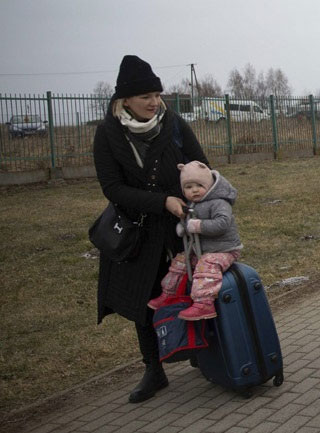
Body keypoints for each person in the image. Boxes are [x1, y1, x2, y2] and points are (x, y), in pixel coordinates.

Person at [92, 55, 209, 403]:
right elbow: (112, 188)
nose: (154, 102)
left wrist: (189, 195)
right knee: (143, 303)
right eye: (145, 96)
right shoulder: (108, 133)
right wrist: (160, 202)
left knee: (193, 292)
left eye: (157, 94)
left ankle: (201, 352)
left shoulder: (173, 124)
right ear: (125, 99)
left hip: (180, 229)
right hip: (137, 233)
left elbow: (202, 167)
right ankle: (153, 369)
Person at [147, 161, 243, 320]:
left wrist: (198, 225)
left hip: (225, 249)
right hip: (202, 250)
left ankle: (204, 302)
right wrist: (183, 228)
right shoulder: (192, 204)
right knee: (180, 261)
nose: (195, 190)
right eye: (189, 187)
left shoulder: (219, 202)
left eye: (199, 185)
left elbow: (222, 224)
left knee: (207, 264)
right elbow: (189, 223)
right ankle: (169, 293)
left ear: (210, 185)